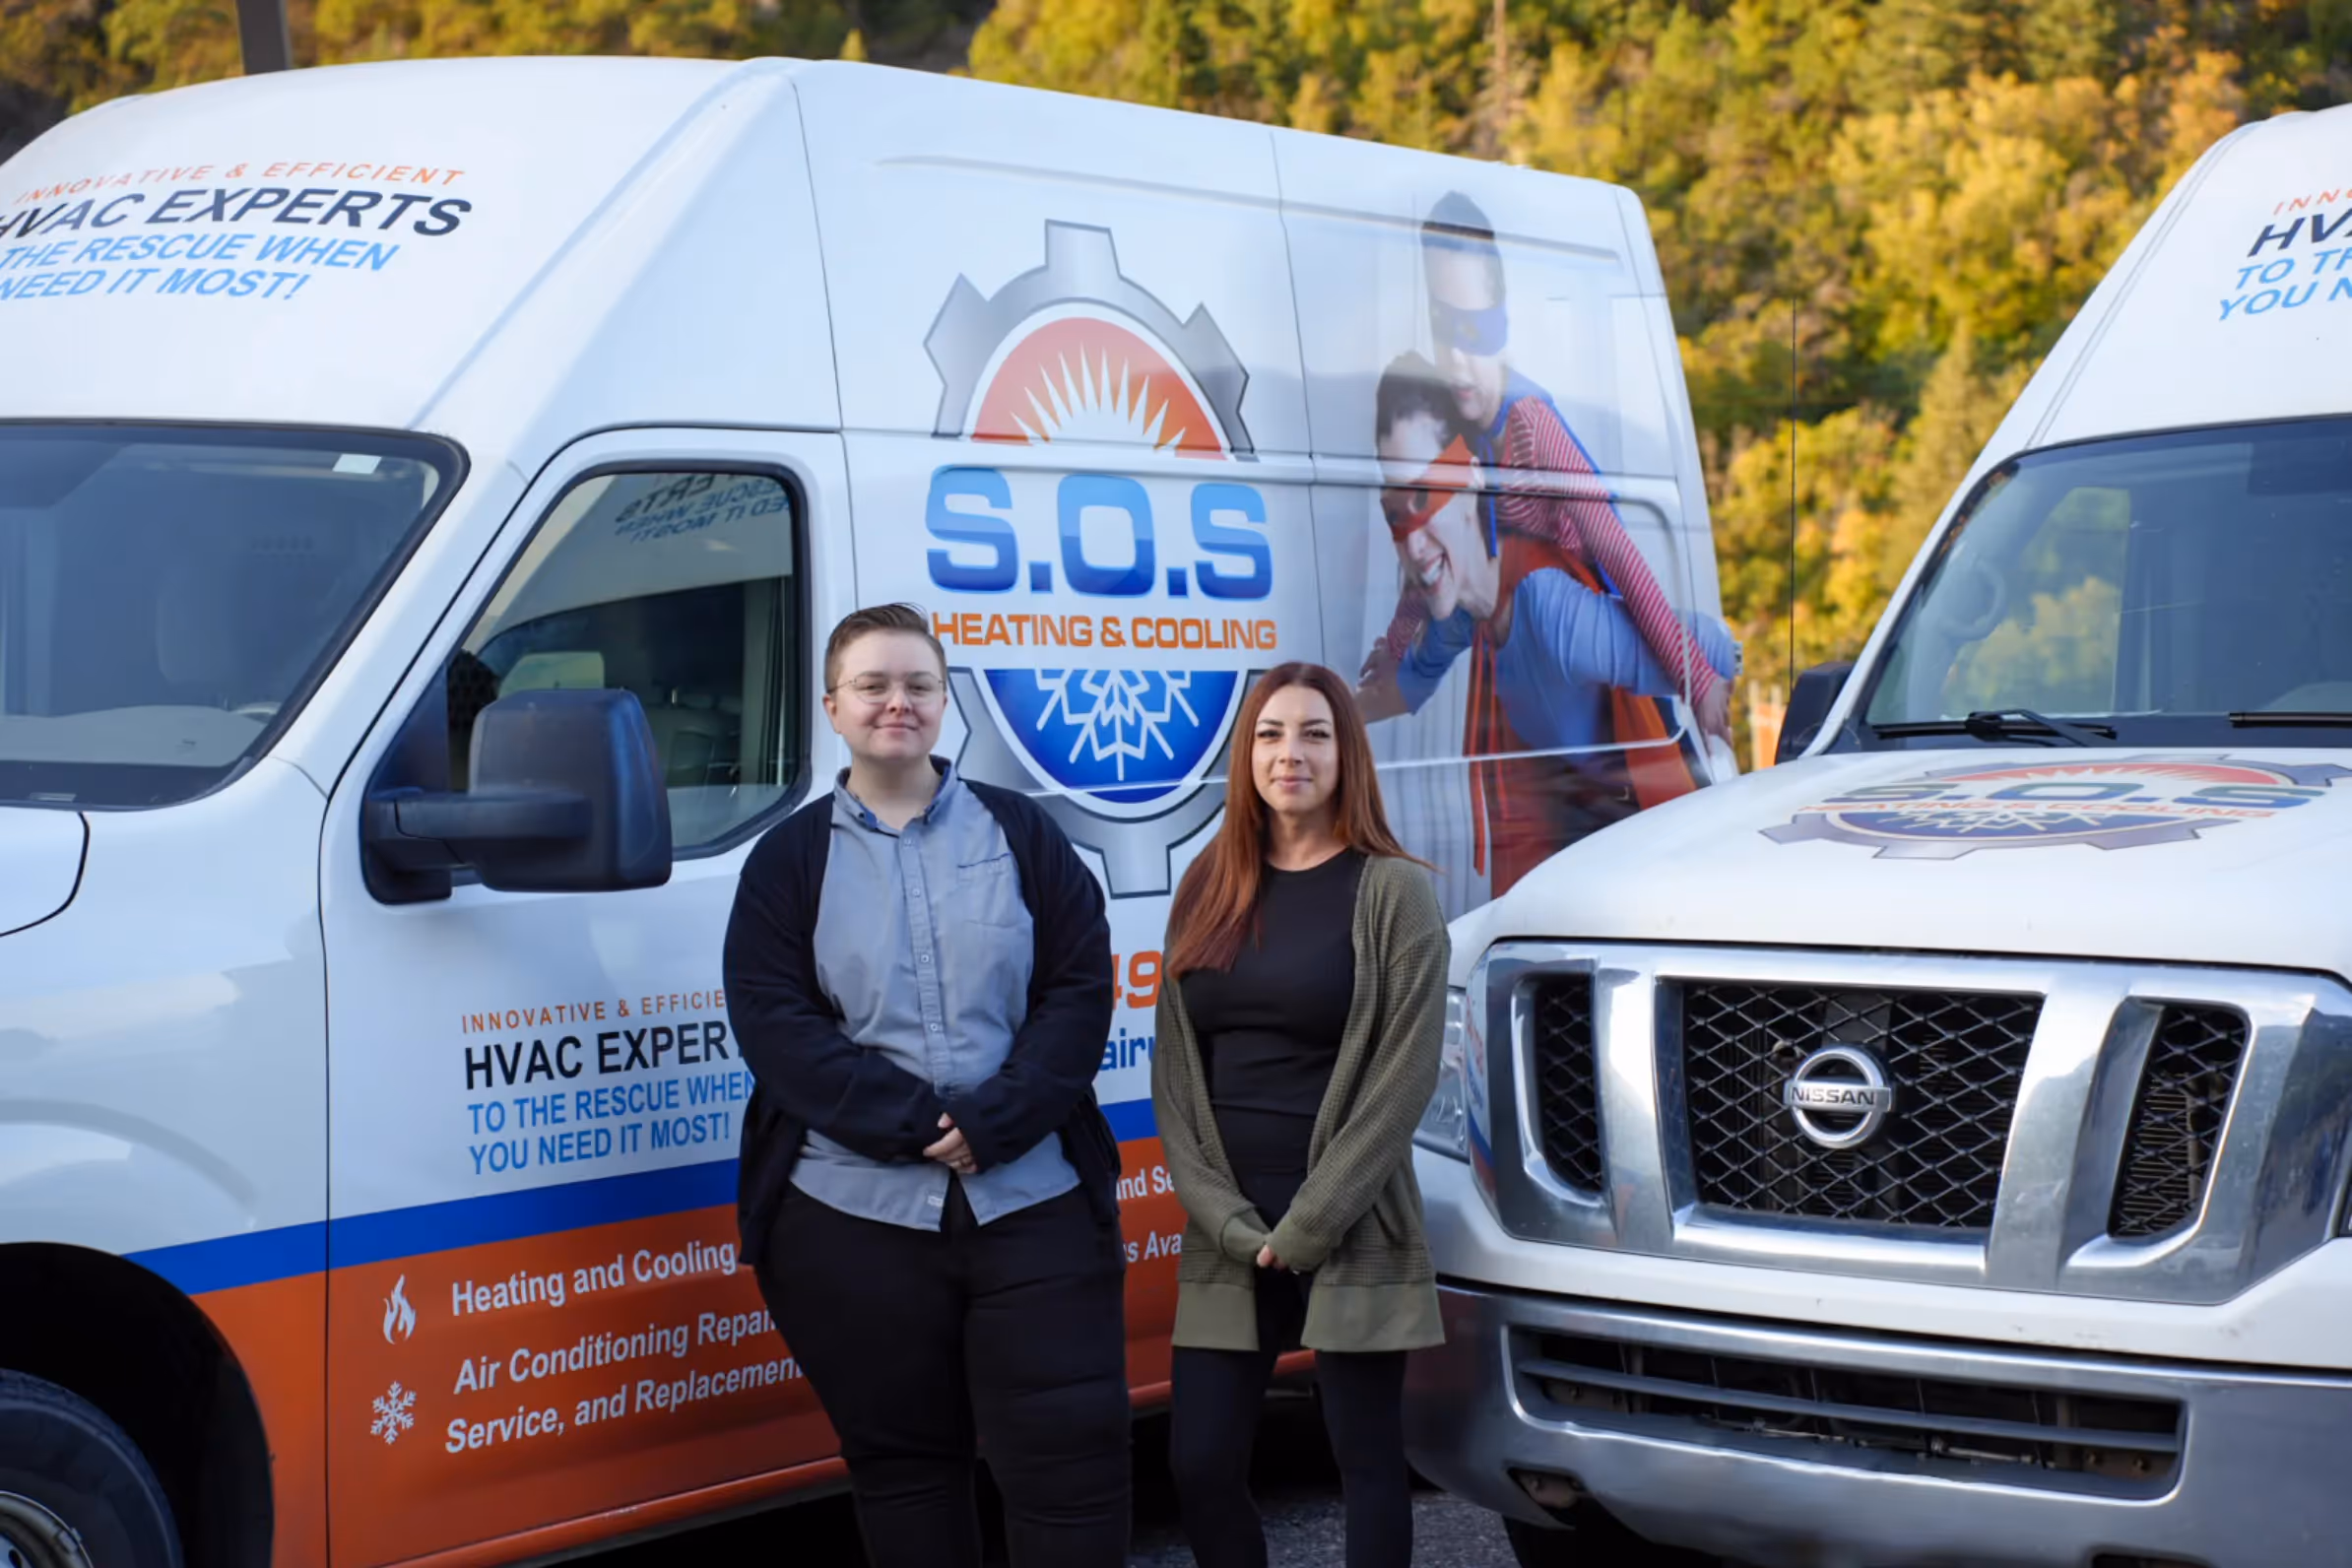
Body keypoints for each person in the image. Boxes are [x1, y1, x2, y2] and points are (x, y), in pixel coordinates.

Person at [723, 603, 1130, 1568]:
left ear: (947, 701)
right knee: (905, 1471)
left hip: (1033, 1202)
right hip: (851, 1221)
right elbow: (774, 1021)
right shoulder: (790, 860)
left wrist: (995, 1117)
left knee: (1072, 1469)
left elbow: (1077, 985)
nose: (896, 702)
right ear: (833, 704)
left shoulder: (1022, 832)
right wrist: (915, 1122)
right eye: (873, 684)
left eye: (918, 684)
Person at [1152, 662, 1449, 1568]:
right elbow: (1174, 1071)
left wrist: (1311, 1224)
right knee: (1198, 1463)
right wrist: (1229, 1222)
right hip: (1231, 1230)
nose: (1291, 754)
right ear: (1246, 756)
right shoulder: (1208, 882)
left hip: (1351, 1219)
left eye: (1315, 734)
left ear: (1346, 754)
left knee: (1364, 1462)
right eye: (1272, 735)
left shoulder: (1392, 892)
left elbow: (1404, 1078)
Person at [1363, 189, 1736, 751]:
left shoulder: (1534, 426)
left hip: (1577, 618)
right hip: (1503, 616)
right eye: (1445, 331)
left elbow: (1615, 551)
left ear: (1502, 326)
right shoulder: (1456, 422)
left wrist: (1697, 674)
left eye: (1476, 332)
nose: (1460, 359)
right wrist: (1394, 648)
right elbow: (1426, 539)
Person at [1358, 356, 1741, 892]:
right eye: (1395, 513)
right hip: (1561, 841)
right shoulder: (1463, 610)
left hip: (1631, 836)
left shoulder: (1552, 606)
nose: (1413, 541)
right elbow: (1411, 674)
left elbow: (1619, 553)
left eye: (1425, 497)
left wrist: (1701, 678)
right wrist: (1371, 671)